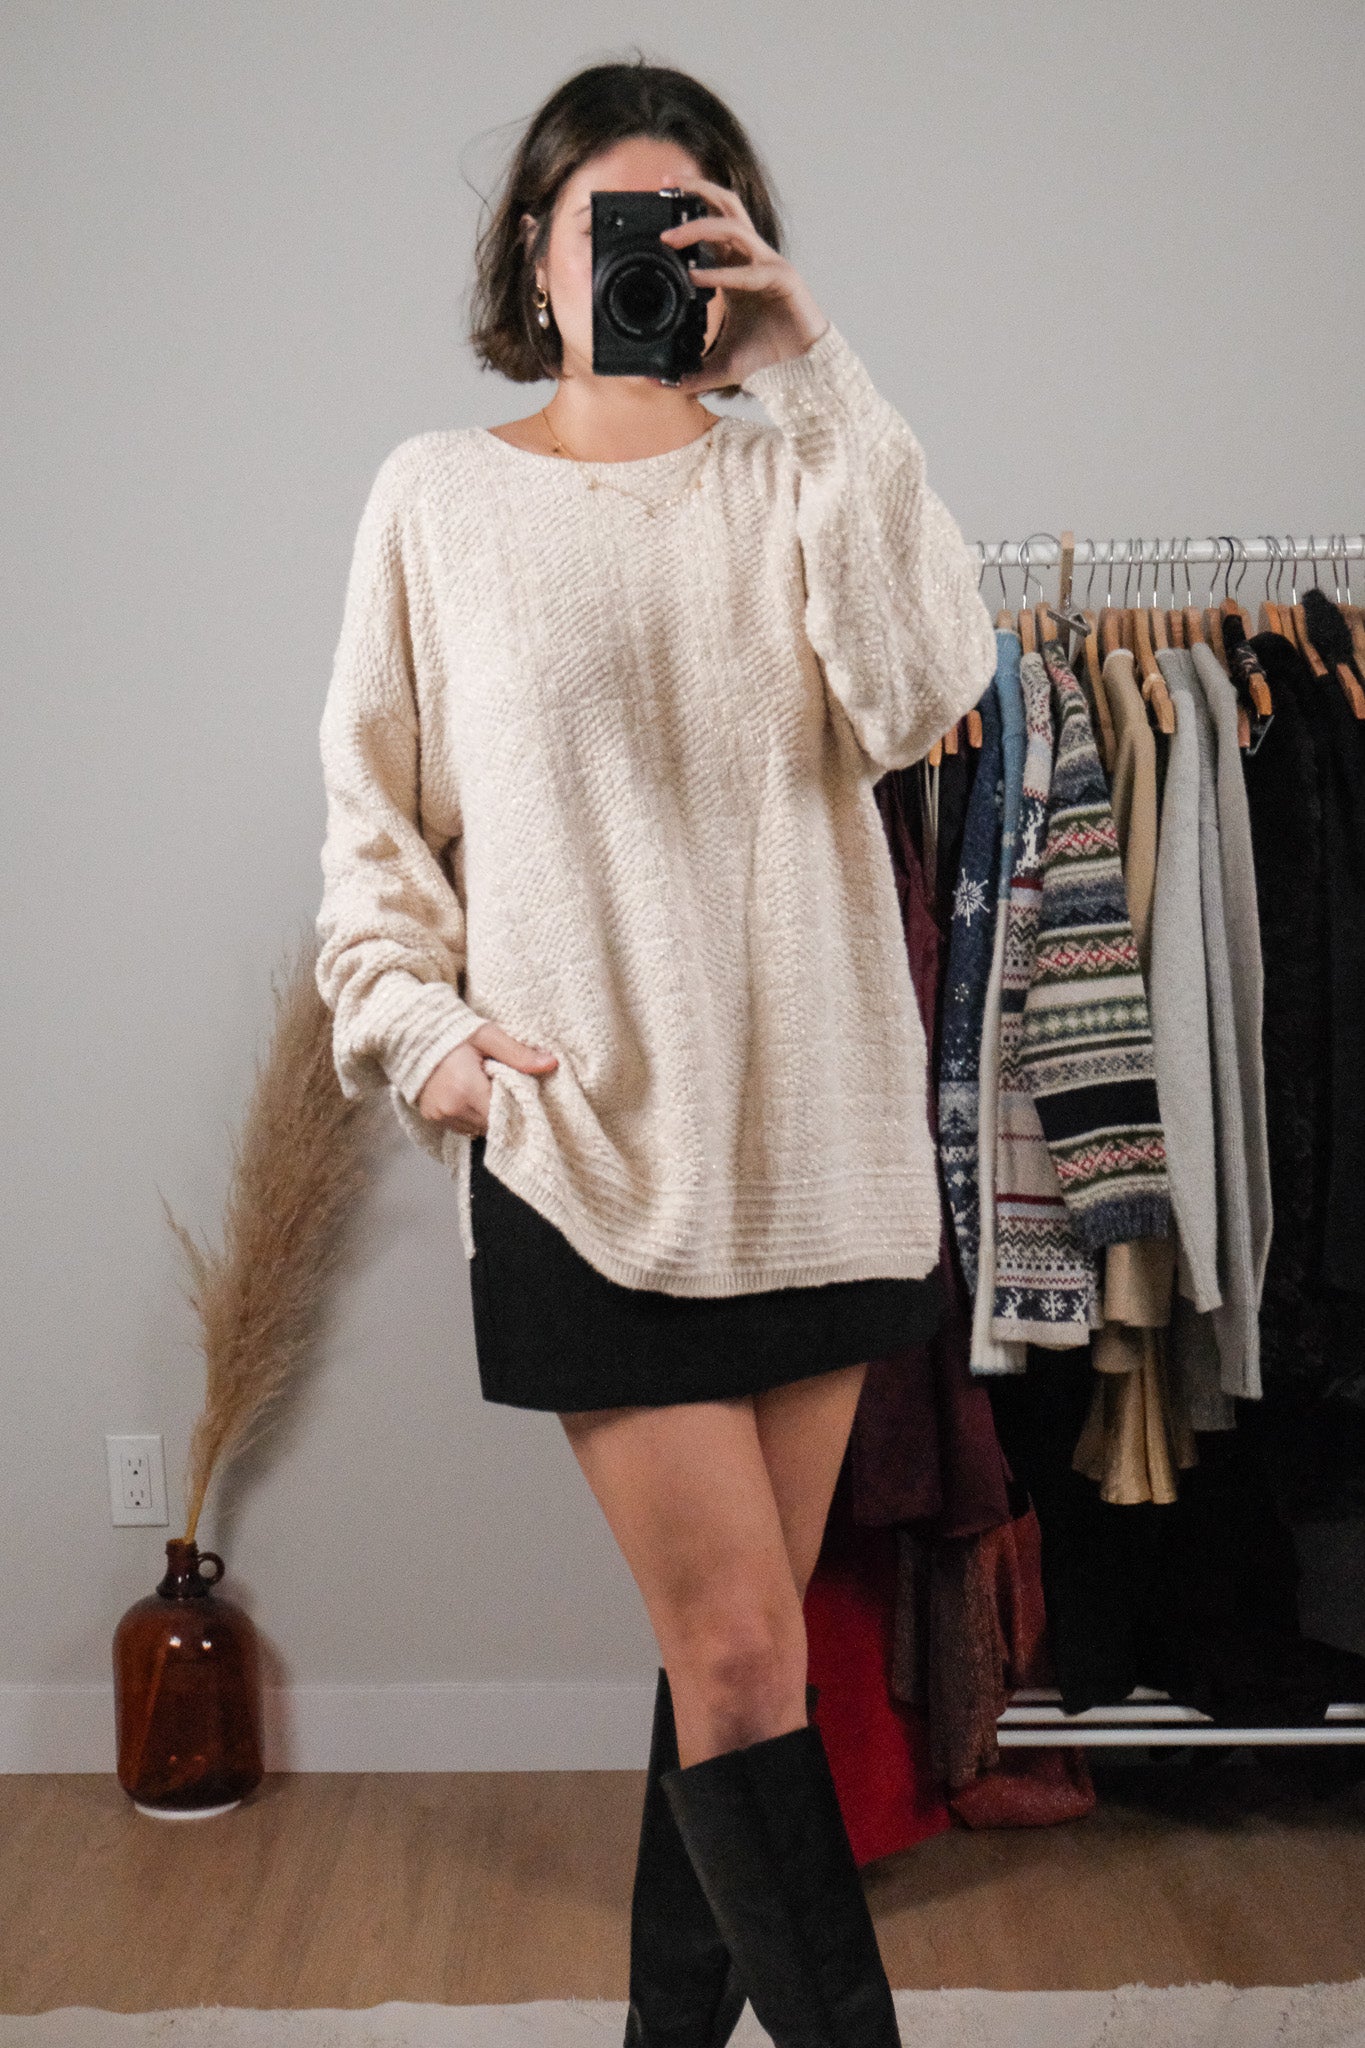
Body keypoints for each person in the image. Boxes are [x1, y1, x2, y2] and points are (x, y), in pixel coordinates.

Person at [315, 55, 997, 2048]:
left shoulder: (799, 472)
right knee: (738, 1652)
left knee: (729, 1664)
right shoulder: (437, 499)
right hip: (586, 1150)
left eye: (685, 228)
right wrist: (424, 1038)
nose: (636, 260)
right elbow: (371, 835)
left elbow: (919, 690)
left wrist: (816, 368)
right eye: (600, 222)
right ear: (532, 256)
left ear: (731, 253)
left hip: (814, 1156)